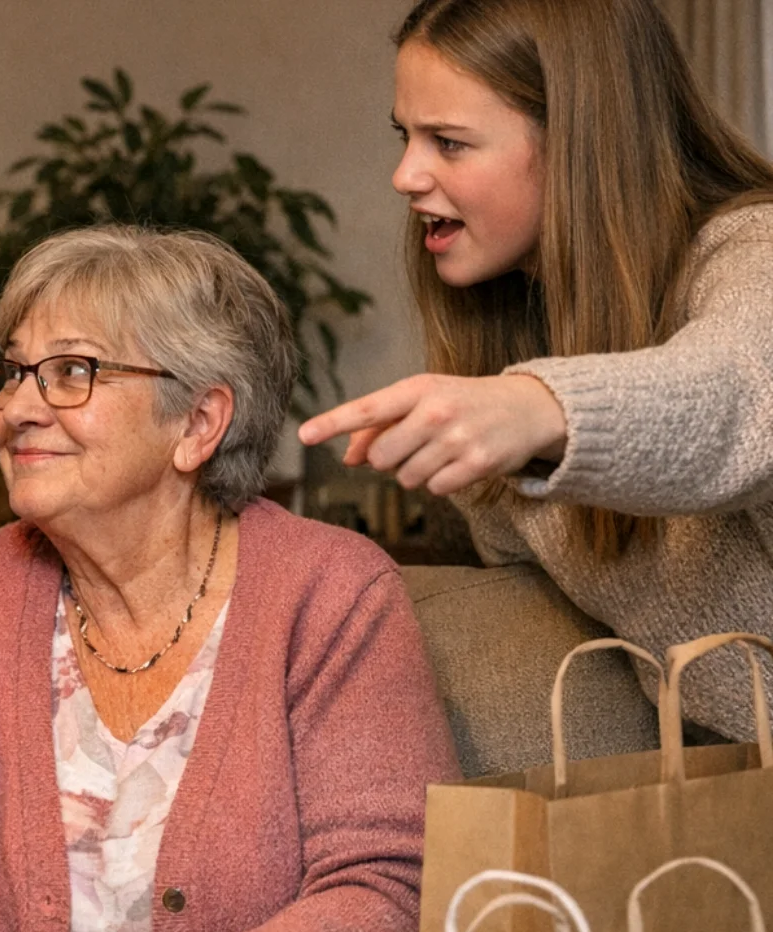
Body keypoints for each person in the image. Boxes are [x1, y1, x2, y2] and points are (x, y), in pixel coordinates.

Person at [0, 226, 459, 932]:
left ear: (198, 423)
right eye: (14, 373)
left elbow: (392, 888)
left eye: (71, 372)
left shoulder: (331, 594)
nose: (17, 409)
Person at [299, 0, 773, 741]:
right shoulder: (508, 330)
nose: (404, 174)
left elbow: (738, 398)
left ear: (584, 143)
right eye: (405, 135)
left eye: (448, 143)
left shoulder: (752, 251)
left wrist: (539, 410)